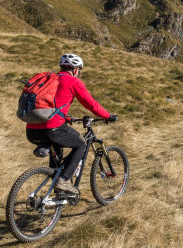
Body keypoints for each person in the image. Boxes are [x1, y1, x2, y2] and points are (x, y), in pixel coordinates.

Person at [25, 53, 116, 195]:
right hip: (52, 129)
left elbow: (48, 105)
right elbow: (91, 104)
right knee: (80, 144)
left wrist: (66, 118)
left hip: (31, 129)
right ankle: (64, 180)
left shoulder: (50, 80)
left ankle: (57, 190)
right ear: (75, 70)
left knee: (57, 153)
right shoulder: (73, 82)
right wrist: (108, 116)